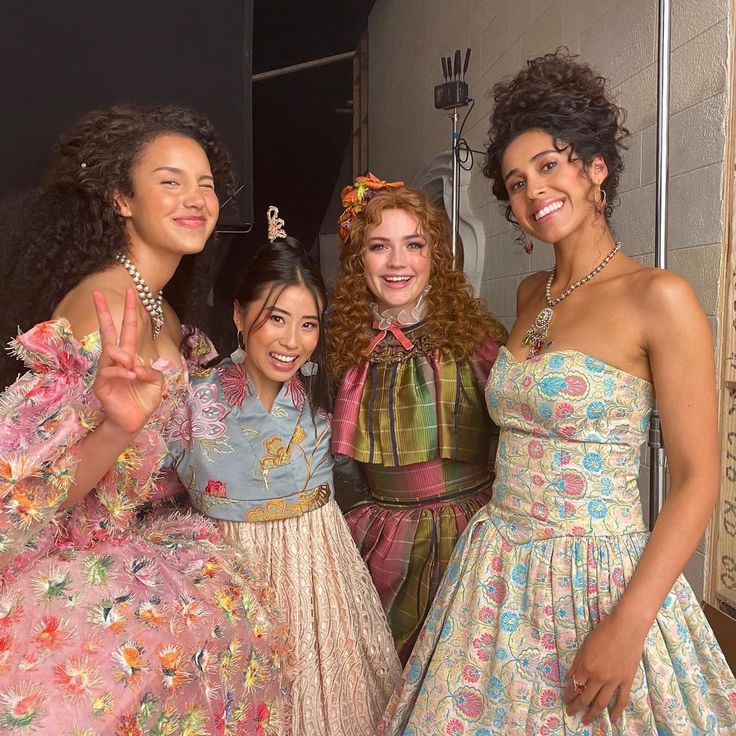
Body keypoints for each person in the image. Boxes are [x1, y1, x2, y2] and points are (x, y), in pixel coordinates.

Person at [379, 50, 736, 735]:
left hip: (599, 578)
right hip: (496, 570)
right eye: (515, 182)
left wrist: (629, 626)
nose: (532, 190)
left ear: (596, 167)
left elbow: (696, 479)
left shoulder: (657, 297)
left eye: (550, 164)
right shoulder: (528, 293)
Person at [0, 106, 289, 735]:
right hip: (85, 578)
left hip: (156, 554)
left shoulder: (161, 307)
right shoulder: (104, 304)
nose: (196, 198)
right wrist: (115, 427)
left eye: (207, 183)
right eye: (171, 180)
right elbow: (21, 490)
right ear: (122, 201)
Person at [165, 207, 401, 736]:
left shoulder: (329, 392)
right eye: (275, 317)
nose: (292, 340)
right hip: (226, 572)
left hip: (317, 570)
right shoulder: (192, 397)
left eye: (308, 323)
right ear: (239, 314)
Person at [327, 178, 508, 662]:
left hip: (472, 535)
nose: (397, 262)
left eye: (414, 245)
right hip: (384, 542)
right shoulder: (342, 345)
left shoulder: (477, 335)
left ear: (435, 255)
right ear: (358, 259)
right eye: (379, 246)